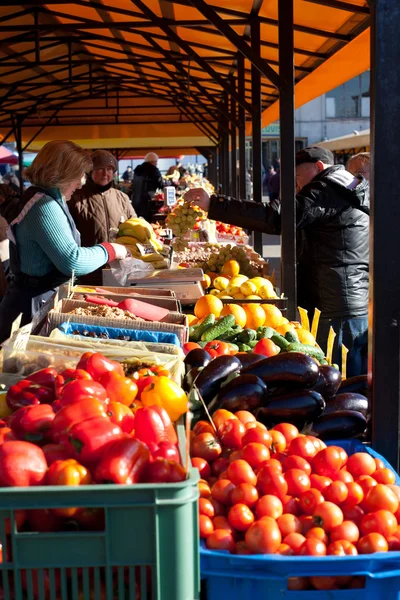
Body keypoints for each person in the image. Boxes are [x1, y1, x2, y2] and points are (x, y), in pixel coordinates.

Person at [185, 146, 369, 377]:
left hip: (337, 304)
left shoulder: (327, 189)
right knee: (347, 375)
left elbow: (279, 217)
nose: (298, 187)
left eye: (299, 178)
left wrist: (215, 204)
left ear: (319, 167)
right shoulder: (342, 187)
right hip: (343, 299)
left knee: (341, 376)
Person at [0, 140, 128, 344]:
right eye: (79, 175)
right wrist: (111, 250)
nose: (81, 183)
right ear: (61, 173)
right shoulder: (44, 206)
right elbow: (72, 260)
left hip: (38, 299)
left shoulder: (48, 200)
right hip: (31, 307)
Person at [69, 150, 136, 285]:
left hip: (119, 271)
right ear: (89, 171)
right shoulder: (75, 198)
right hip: (88, 273)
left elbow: (135, 226)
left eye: (109, 169)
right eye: (99, 169)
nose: (105, 173)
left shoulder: (121, 197)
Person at [131, 152, 164, 221]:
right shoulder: (153, 170)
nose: (156, 164)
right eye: (156, 162)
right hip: (148, 202)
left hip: (136, 201)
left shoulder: (137, 170)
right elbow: (160, 184)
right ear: (152, 161)